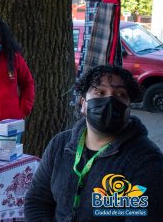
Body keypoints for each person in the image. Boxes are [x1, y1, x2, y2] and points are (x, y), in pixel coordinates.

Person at [24, 65, 163, 221]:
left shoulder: (146, 161)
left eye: (120, 94)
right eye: (100, 92)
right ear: (83, 103)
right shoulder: (60, 144)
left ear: (128, 108)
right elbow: (37, 200)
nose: (110, 100)